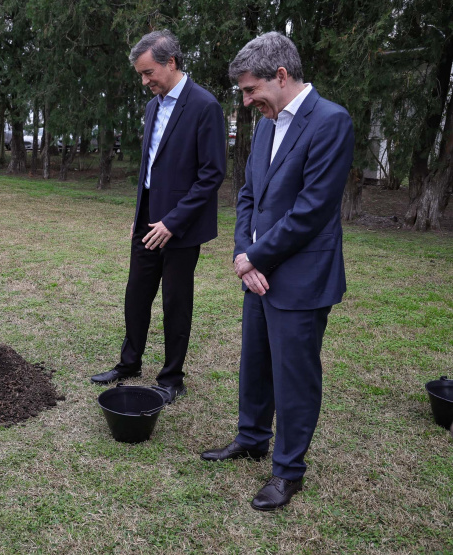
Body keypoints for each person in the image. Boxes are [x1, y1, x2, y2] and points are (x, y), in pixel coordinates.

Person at [200, 32, 354, 511]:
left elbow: (311, 210)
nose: (247, 103)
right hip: (259, 272)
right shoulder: (267, 126)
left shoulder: (331, 122)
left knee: (294, 377)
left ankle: (288, 472)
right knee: (256, 364)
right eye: (244, 93)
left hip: (302, 279)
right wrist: (244, 255)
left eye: (251, 91)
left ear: (281, 76)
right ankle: (251, 438)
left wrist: (255, 257)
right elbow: (248, 195)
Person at [90, 30, 225, 405]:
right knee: (137, 294)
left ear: (171, 63)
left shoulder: (205, 106)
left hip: (181, 227)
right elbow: (149, 166)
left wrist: (173, 222)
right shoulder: (152, 107)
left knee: (175, 302)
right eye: (140, 74)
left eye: (149, 72)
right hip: (148, 220)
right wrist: (141, 213)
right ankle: (129, 364)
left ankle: (172, 378)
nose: (145, 81)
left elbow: (212, 174)